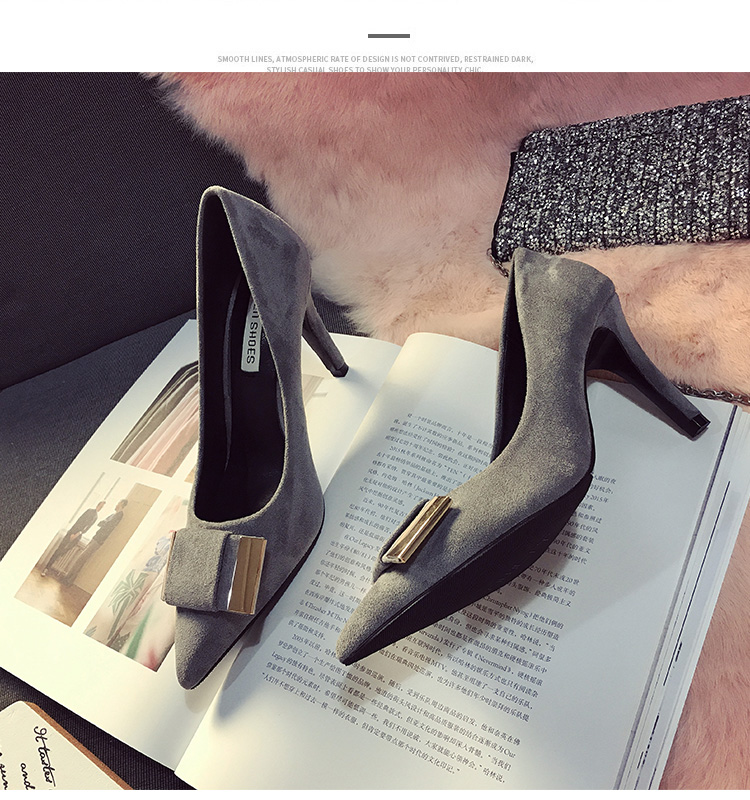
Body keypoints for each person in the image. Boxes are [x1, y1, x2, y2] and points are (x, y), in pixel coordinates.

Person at [63, 499, 128, 585]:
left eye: (118, 503)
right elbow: (100, 523)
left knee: (81, 559)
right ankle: (68, 578)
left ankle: (68, 579)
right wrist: (105, 523)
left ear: (122, 504)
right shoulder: (112, 515)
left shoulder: (119, 515)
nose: (116, 505)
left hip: (98, 540)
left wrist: (105, 523)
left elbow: (108, 526)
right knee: (81, 559)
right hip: (95, 537)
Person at [41, 501, 105, 577]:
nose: (100, 508)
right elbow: (79, 522)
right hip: (72, 531)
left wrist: (78, 534)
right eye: (100, 506)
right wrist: (73, 533)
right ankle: (46, 568)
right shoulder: (89, 511)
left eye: (102, 507)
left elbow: (87, 528)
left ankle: (58, 556)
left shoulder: (96, 517)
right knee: (59, 549)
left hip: (78, 535)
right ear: (97, 505)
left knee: (64, 550)